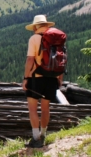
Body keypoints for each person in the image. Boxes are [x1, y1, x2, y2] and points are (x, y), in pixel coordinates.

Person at [22, 15, 64, 148]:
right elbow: (60, 60)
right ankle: (44, 134)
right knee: (45, 108)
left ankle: (36, 138)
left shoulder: (34, 38)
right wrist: (59, 78)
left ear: (35, 26)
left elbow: (30, 60)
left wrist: (26, 78)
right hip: (52, 77)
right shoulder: (56, 39)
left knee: (33, 108)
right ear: (47, 25)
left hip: (36, 78)